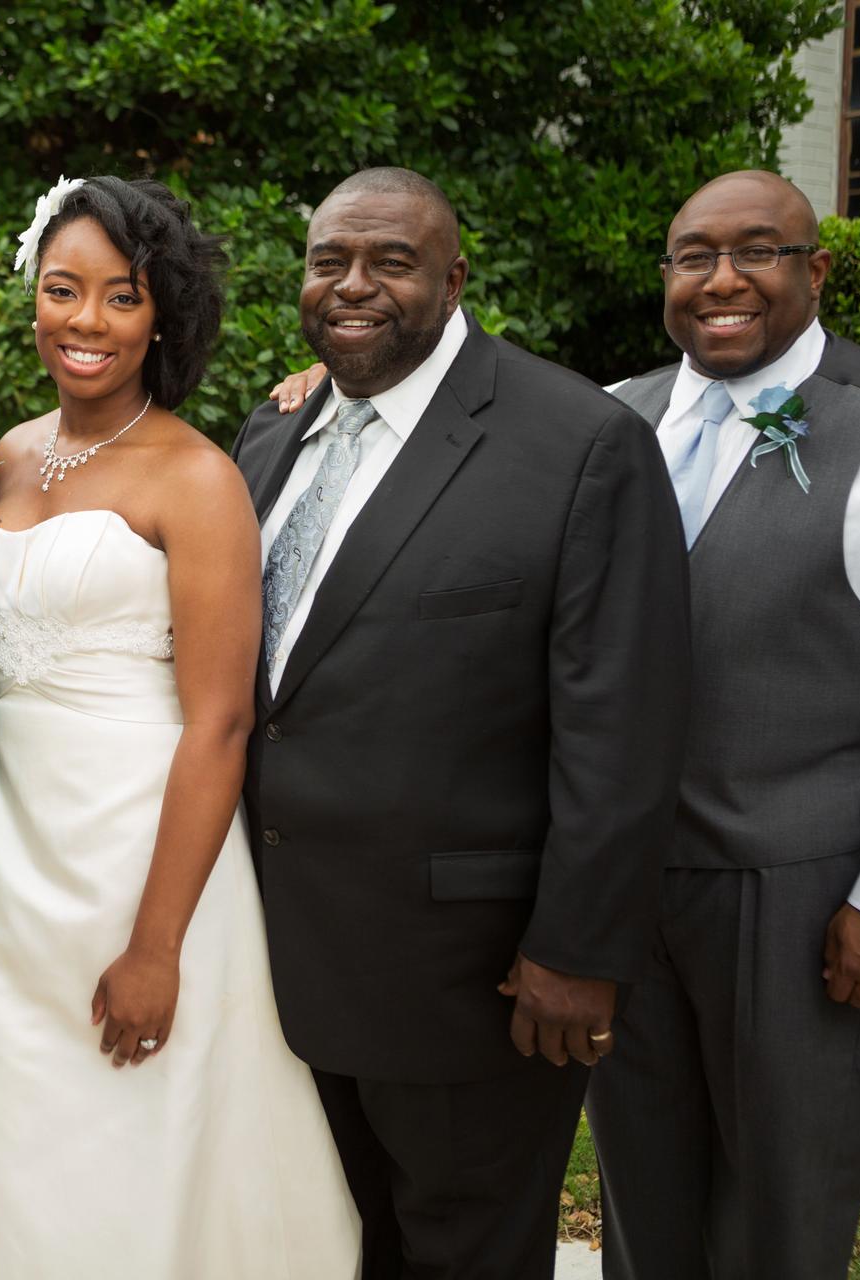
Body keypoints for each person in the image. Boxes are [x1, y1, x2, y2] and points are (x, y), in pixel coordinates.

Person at [234, 167, 691, 1279]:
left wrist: (578, 949)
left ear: (454, 275)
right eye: (329, 260)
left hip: (471, 980)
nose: (352, 284)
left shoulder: (578, 443)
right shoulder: (270, 435)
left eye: (390, 261)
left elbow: (623, 723)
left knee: (465, 1252)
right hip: (270, 961)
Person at [0, 175, 361, 1279]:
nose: (87, 322)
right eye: (64, 290)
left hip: (143, 856)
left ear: (160, 315)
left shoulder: (198, 477)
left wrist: (157, 942)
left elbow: (218, 725)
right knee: (21, 1138)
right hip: (13, 865)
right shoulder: (1, 452)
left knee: (137, 1134)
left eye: (120, 298)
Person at [585, 170, 860, 1280]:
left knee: (782, 1221)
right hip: (630, 891)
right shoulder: (615, 414)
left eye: (758, 251)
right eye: (694, 255)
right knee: (642, 1206)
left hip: (803, 896)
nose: (723, 279)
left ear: (816, 270)